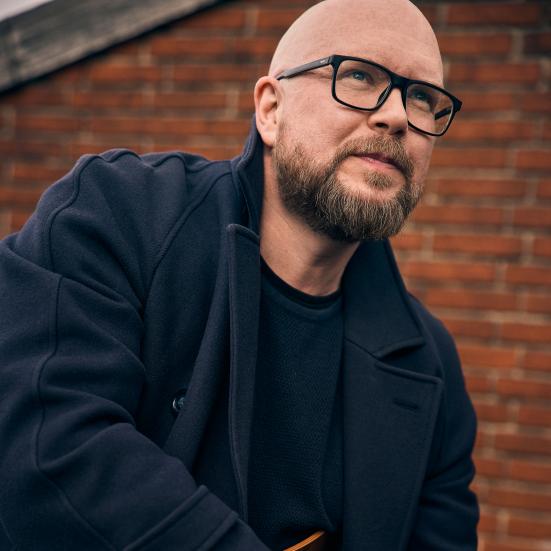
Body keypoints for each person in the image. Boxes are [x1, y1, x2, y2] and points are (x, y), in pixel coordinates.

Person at [0, 0, 479, 549]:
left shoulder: (430, 364)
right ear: (271, 110)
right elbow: (45, 450)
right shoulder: (117, 214)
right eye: (359, 77)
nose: (397, 116)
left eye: (422, 98)